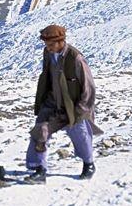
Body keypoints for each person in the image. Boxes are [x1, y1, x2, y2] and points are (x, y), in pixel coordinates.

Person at [26, 24, 102, 183]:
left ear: (61, 41)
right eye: (46, 45)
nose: (48, 47)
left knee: (81, 134)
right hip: (52, 104)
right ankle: (40, 169)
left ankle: (89, 164)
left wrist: (80, 111)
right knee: (40, 130)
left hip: (73, 107)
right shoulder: (48, 53)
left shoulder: (76, 58)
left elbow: (89, 87)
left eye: (51, 44)